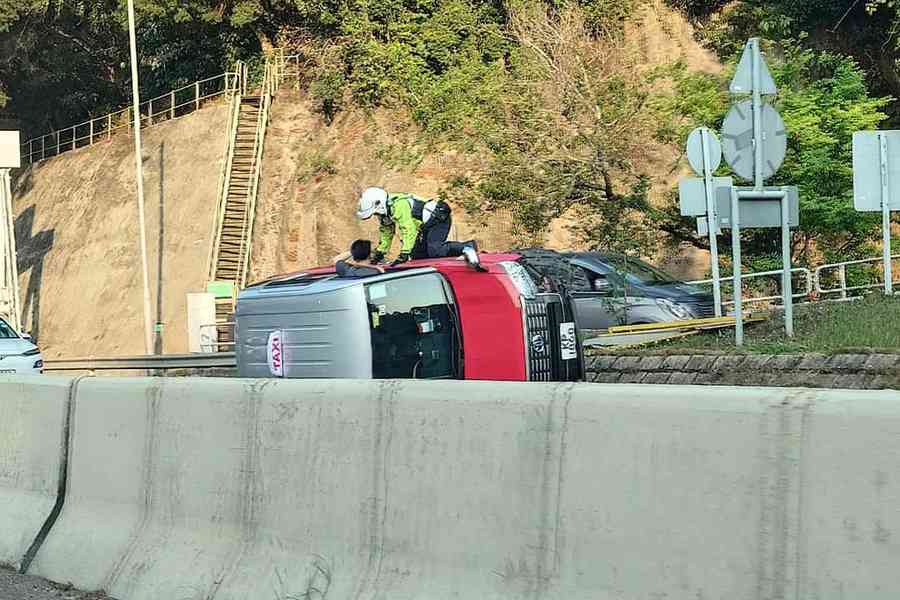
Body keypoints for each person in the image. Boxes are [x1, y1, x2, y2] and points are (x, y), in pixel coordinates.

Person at [356, 187, 477, 266]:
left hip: (439, 218)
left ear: (378, 203)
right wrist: (380, 253)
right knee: (417, 256)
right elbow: (387, 233)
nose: (375, 215)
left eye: (375, 212)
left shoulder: (399, 204)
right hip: (425, 225)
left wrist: (404, 253)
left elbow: (409, 229)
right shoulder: (386, 212)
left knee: (434, 249)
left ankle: (467, 247)